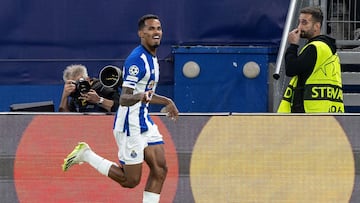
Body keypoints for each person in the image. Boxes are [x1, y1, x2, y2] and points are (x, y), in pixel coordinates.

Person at [62, 14, 179, 203]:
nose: (156, 32)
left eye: (158, 28)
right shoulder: (136, 60)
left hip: (144, 121)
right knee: (130, 180)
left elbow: (146, 93)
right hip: (129, 124)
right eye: (150, 29)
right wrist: (140, 96)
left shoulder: (153, 59)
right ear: (141, 33)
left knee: (160, 169)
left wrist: (167, 101)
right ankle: (86, 154)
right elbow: (124, 98)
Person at [277, 6, 344, 113]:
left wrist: (293, 46)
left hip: (309, 110)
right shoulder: (327, 48)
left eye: (304, 23)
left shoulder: (315, 47)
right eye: (299, 22)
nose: (299, 27)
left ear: (317, 26)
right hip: (328, 109)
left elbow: (291, 69)